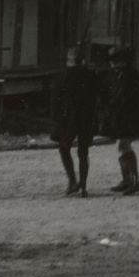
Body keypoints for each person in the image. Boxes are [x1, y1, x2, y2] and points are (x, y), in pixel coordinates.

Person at [49, 45, 98, 197]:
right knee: (83, 152)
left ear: (68, 61)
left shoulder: (62, 76)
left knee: (64, 149)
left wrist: (55, 118)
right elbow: (100, 95)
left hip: (67, 119)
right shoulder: (91, 75)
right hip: (86, 117)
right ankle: (83, 186)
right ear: (82, 60)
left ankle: (72, 181)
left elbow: (55, 100)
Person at [100, 46, 139, 195]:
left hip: (129, 118)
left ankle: (133, 181)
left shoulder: (132, 76)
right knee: (121, 147)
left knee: (124, 146)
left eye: (115, 61)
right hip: (120, 118)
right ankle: (127, 179)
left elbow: (132, 99)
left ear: (123, 62)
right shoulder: (116, 74)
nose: (111, 64)